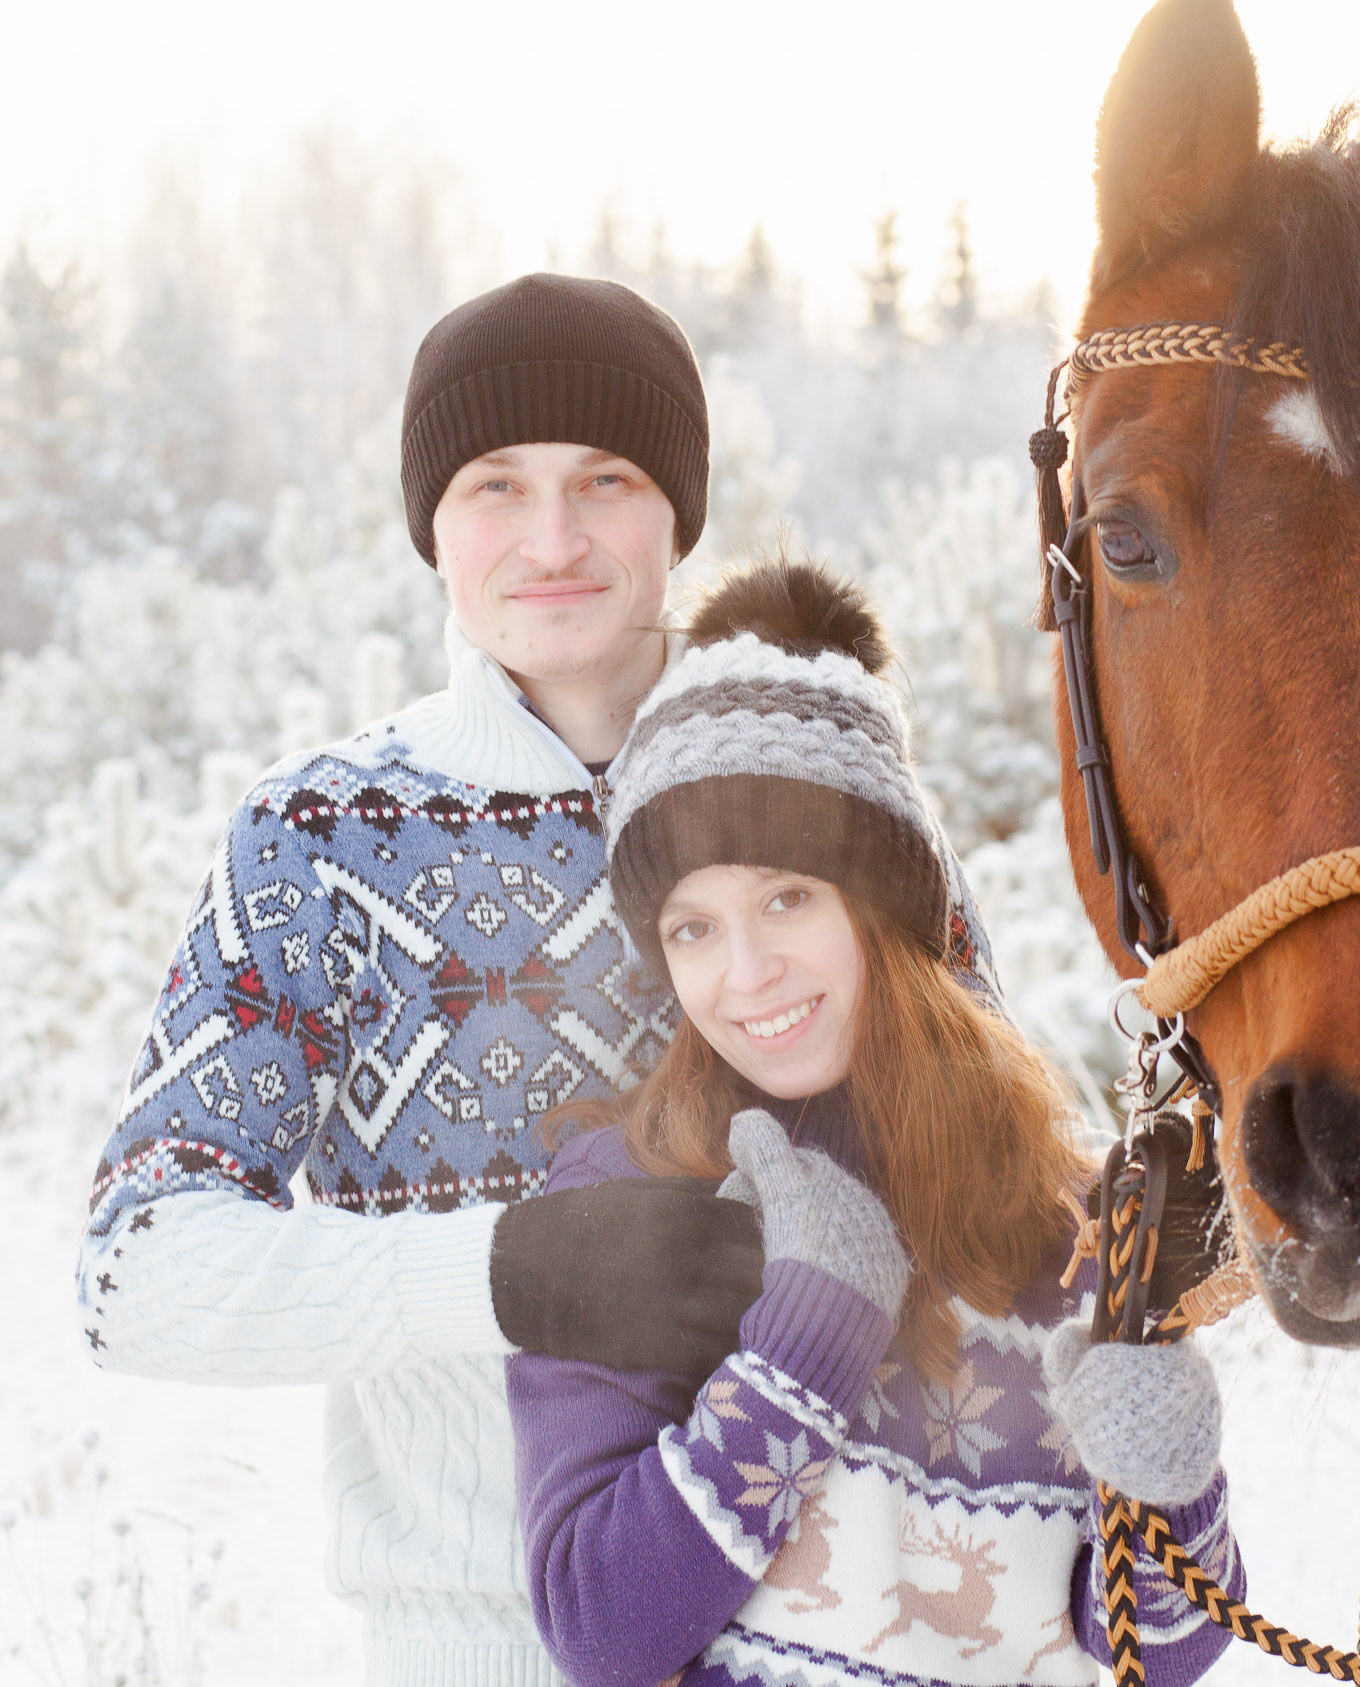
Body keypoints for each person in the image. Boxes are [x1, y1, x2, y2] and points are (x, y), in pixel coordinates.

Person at [75, 274, 1001, 1686]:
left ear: (676, 510)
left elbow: (995, 1169)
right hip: (473, 1642)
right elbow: (136, 1269)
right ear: (431, 526)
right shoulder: (321, 840)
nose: (553, 537)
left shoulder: (822, 782)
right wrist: (509, 1274)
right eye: (495, 485)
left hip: (860, 1626)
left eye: (606, 478)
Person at [509, 558, 1243, 1687]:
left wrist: (1168, 1471)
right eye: (692, 927)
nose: (744, 974)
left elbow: (1160, 1649)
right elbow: (598, 1627)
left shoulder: (1063, 1220)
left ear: (884, 910)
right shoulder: (624, 1192)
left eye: (785, 897)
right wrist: (804, 1342)